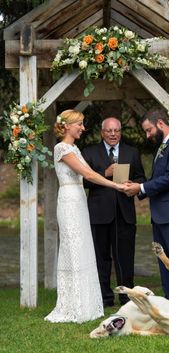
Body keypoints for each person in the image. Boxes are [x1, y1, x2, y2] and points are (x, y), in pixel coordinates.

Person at [44, 110, 124, 323]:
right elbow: (88, 175)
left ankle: (86, 302)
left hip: (80, 199)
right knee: (73, 248)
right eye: (79, 124)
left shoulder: (74, 148)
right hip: (69, 200)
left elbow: (92, 172)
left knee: (84, 247)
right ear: (67, 126)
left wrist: (111, 175)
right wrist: (116, 185)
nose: (82, 127)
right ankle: (73, 304)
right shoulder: (61, 148)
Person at [124, 108, 169, 302]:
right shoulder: (163, 146)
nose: (147, 135)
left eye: (149, 130)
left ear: (160, 124)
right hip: (161, 215)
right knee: (165, 261)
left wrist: (141, 187)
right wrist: (138, 188)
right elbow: (159, 178)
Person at [82, 117, 146, 307]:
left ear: (120, 132)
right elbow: (84, 182)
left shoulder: (132, 152)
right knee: (101, 258)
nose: (113, 134)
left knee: (125, 257)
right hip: (99, 214)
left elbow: (141, 177)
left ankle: (127, 298)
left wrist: (133, 185)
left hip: (124, 213)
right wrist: (105, 174)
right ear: (102, 132)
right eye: (109, 131)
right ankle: (104, 298)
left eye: (116, 131)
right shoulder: (89, 152)